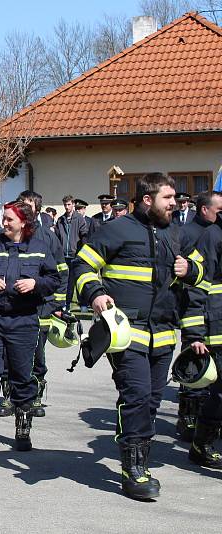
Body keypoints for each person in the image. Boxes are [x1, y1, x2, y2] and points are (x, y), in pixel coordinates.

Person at [73, 172, 204, 500]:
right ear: (148, 200)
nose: (175, 204)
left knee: (152, 403)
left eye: (175, 199)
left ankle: (133, 446)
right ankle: (133, 469)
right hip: (125, 334)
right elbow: (82, 266)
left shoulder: (177, 233)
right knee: (137, 396)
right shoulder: (116, 229)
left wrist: (189, 269)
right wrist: (96, 294)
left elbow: (203, 269)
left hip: (162, 336)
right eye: (168, 198)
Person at [0, 201, 60, 451]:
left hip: (24, 319)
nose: (4, 223)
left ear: (23, 223)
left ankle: (23, 421)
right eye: (4, 219)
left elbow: (54, 279)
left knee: (21, 374)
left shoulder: (40, 247)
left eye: (9, 219)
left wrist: (36, 284)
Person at [17, 190, 69, 417]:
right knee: (14, 352)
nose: (23, 207)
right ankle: (15, 394)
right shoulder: (11, 233)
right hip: (16, 305)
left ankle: (36, 394)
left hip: (42, 305)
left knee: (37, 353)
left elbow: (61, 271)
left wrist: (56, 303)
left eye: (27, 204)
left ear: (37, 208)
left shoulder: (48, 236)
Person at [175, 191, 222, 441]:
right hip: (205, 316)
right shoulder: (198, 234)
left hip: (210, 314)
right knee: (197, 371)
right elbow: (197, 283)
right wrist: (194, 331)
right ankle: (190, 420)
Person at [55, 195, 89, 308]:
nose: (67, 207)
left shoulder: (79, 218)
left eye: (69, 204)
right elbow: (57, 237)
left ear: (73, 205)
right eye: (65, 205)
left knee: (76, 280)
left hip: (75, 255)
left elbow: (84, 235)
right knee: (65, 281)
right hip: (64, 255)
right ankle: (66, 304)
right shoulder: (60, 220)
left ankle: (83, 303)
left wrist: (81, 252)